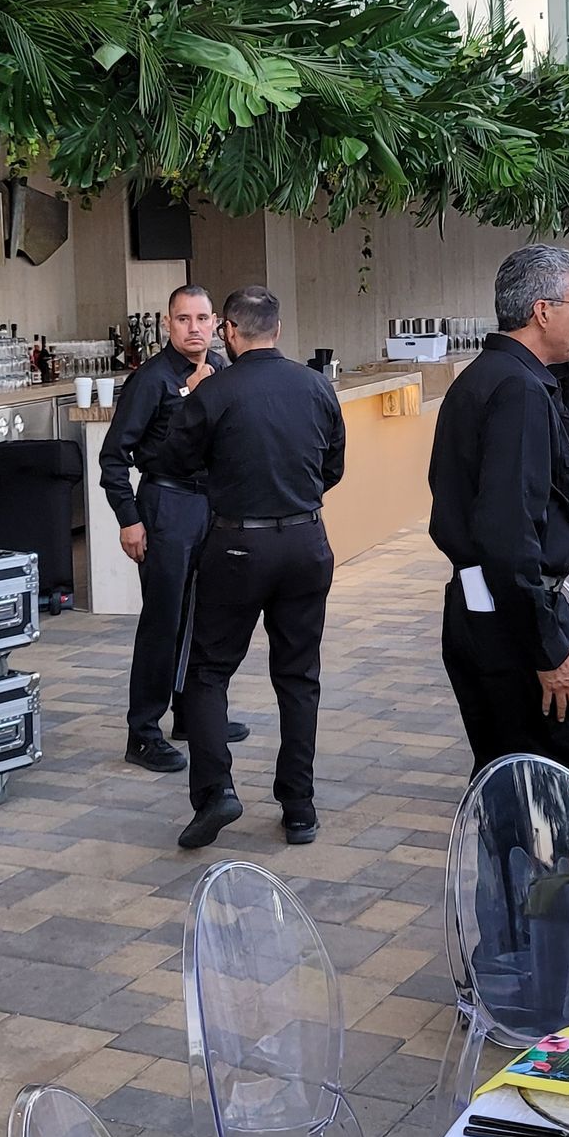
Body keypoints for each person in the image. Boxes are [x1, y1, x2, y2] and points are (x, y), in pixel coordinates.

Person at [427, 244, 569, 819]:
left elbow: (512, 502)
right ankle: (538, 910)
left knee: (512, 797)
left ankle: (514, 909)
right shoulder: (514, 391)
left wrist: (568, 543)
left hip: (484, 611)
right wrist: (548, 651)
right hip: (511, 620)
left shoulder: (495, 377)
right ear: (542, 312)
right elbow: (504, 533)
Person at [148, 285, 346, 851]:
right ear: (277, 331)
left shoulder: (214, 390)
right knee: (299, 675)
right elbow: (332, 466)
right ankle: (299, 806)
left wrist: (191, 400)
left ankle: (215, 792)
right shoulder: (316, 385)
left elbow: (172, 462)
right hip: (307, 540)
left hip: (237, 543)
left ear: (228, 332)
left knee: (209, 671)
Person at [97, 283, 248, 773]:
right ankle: (142, 731)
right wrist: (129, 519)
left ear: (218, 326)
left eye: (203, 319)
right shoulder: (152, 379)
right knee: (164, 621)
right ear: (168, 324)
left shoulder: (224, 370)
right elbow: (114, 457)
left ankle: (192, 716)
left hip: (212, 505)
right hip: (166, 503)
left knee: (205, 619)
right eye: (184, 319)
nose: (195, 329)